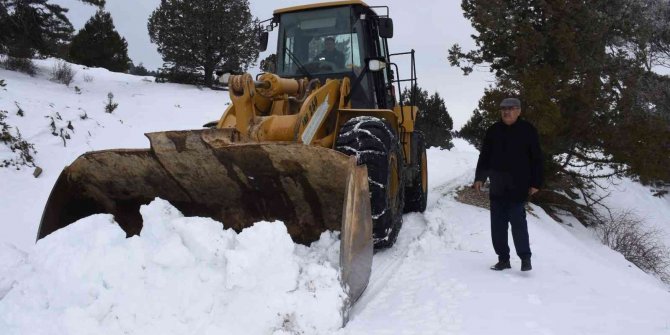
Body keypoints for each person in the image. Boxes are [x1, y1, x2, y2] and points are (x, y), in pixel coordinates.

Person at [473, 97, 543, 272]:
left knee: (518, 223)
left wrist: (536, 182)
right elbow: (485, 156)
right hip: (497, 186)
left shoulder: (528, 130)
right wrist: (480, 177)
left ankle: (525, 258)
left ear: (519, 111)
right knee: (497, 226)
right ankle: (503, 259)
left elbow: (536, 158)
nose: (507, 112)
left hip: (518, 186)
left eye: (511, 108)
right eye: (504, 109)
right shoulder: (493, 131)